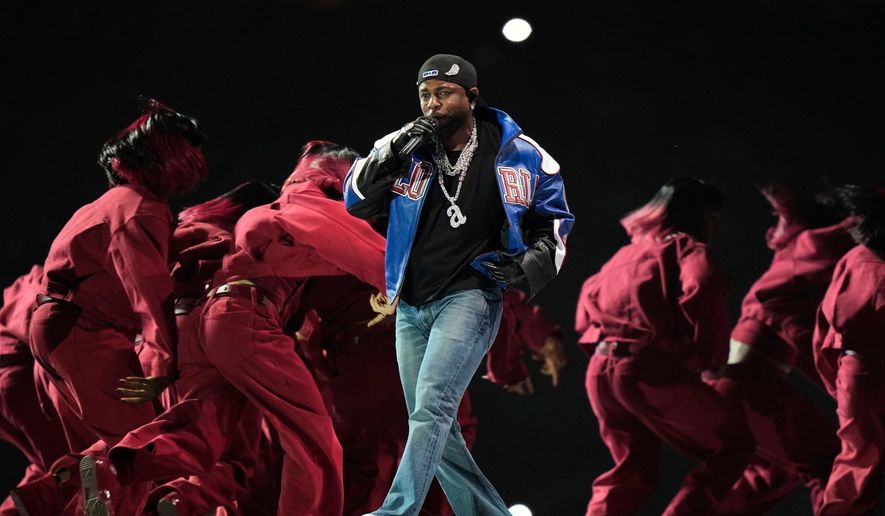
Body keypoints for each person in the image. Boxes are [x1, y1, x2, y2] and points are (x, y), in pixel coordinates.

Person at [83, 140, 386, 516]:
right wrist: (405, 281)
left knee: (202, 427)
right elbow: (362, 247)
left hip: (204, 322)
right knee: (313, 444)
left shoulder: (243, 221)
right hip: (243, 319)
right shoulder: (304, 198)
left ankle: (115, 466)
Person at [344, 53, 574, 515]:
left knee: (430, 409)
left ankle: (396, 511)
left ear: (470, 97)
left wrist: (528, 265)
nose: (432, 104)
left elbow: (555, 223)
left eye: (443, 94)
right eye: (425, 95)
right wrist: (396, 147)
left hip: (470, 295)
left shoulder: (519, 152)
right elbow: (355, 201)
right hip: (410, 302)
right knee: (432, 424)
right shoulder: (406, 147)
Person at [11, 101, 208, 516]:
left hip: (59, 331)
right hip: (84, 333)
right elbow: (149, 291)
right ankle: (57, 496)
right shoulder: (138, 209)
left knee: (102, 451)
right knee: (136, 453)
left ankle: (41, 496)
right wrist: (164, 364)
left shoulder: (112, 202)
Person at [575, 177, 754, 515]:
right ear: (695, 216)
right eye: (711, 216)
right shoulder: (685, 247)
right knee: (734, 446)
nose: (714, 225)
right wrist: (708, 356)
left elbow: (587, 304)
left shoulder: (624, 254)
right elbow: (704, 282)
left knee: (633, 470)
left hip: (601, 371)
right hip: (647, 369)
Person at [708, 183, 853, 514]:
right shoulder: (809, 265)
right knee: (827, 463)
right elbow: (808, 346)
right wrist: (846, 393)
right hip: (749, 388)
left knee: (773, 473)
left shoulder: (793, 259)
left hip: (729, 386)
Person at [813, 184, 885, 515]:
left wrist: (839, 385)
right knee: (860, 465)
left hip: (854, 371)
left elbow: (823, 337)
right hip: (871, 371)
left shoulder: (853, 259)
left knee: (857, 462)